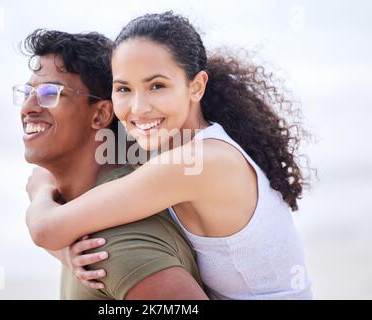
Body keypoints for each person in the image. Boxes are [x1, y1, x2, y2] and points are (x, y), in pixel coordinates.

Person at [26, 12, 313, 299]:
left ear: (196, 86)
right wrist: (69, 253)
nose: (138, 108)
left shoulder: (200, 163)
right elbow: (56, 167)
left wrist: (44, 200)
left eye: (157, 86)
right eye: (124, 88)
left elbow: (45, 229)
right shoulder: (163, 135)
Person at [16, 29, 207, 299]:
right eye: (27, 92)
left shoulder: (116, 245)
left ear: (102, 114)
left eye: (50, 93)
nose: (28, 107)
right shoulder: (72, 213)